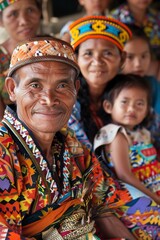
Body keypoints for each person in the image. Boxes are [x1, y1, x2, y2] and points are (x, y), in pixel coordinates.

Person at [0, 36, 140, 240]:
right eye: (35, 85)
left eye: (62, 86)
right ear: (12, 89)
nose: (49, 99)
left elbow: (105, 206)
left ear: (76, 88)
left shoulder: (72, 147)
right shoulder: (5, 153)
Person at [68, 15, 160, 239]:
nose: (97, 61)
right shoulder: (69, 105)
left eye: (107, 53)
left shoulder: (131, 95)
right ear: (76, 58)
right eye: (88, 53)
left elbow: (154, 136)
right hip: (94, 192)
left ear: (121, 59)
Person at [93, 74, 160, 205]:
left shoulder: (143, 133)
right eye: (125, 102)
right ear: (108, 106)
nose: (131, 109)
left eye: (139, 104)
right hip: (141, 198)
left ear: (147, 110)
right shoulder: (116, 135)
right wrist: (156, 199)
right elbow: (124, 175)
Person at [0, 0, 42, 120]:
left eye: (30, 10)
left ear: (39, 12)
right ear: (1, 21)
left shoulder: (56, 48)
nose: (24, 21)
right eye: (13, 14)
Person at [121, 24, 160, 114]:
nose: (138, 64)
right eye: (130, 57)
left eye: (144, 56)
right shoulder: (108, 86)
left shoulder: (153, 86)